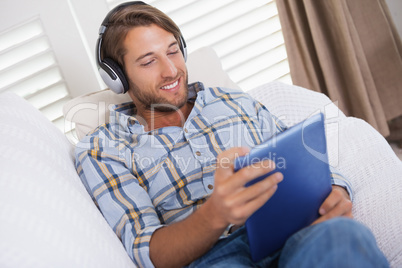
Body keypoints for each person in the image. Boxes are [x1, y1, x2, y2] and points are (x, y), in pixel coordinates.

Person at [75, 2, 389, 267]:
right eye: (148, 61)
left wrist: (336, 191)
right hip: (214, 258)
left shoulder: (234, 102)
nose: (170, 70)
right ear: (117, 77)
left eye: (173, 51)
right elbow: (148, 250)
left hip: (291, 232)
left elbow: (304, 163)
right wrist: (215, 214)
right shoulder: (103, 148)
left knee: (346, 237)